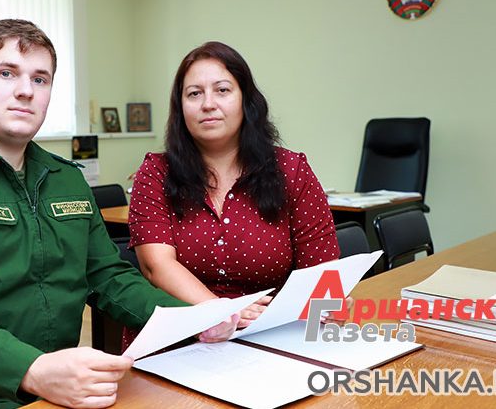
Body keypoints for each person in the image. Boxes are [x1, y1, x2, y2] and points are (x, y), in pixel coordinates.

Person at [0, 20, 236, 409]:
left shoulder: (65, 178)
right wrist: (32, 370)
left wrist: (192, 321)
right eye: (6, 73)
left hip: (60, 386)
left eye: (40, 79)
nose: (25, 90)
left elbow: (109, 278)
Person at [124, 41, 342, 347]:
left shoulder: (291, 170)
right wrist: (224, 311)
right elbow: (155, 266)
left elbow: (321, 270)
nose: (208, 104)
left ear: (246, 100)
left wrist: (325, 307)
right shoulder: (155, 172)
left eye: (222, 90)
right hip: (180, 337)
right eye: (194, 94)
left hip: (269, 334)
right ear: (180, 108)